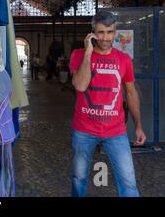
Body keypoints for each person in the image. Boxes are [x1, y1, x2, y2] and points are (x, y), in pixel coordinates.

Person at [69, 10, 146, 197]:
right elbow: (80, 86)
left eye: (110, 32)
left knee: (128, 181)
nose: (105, 37)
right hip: (84, 129)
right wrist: (88, 51)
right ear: (93, 33)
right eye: (101, 32)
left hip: (115, 130)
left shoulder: (123, 59)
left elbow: (130, 92)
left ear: (115, 32)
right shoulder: (78, 55)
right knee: (79, 177)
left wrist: (138, 126)